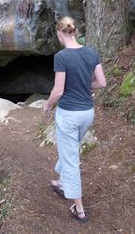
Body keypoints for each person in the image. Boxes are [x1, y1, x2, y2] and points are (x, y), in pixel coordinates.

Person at [43, 16, 106, 223]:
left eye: (58, 35)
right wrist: (89, 87)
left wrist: (47, 105)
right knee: (70, 148)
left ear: (60, 34)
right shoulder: (91, 52)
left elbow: (59, 90)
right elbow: (102, 82)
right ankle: (61, 183)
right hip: (87, 113)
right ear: (75, 32)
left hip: (68, 114)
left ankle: (79, 208)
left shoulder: (61, 57)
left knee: (70, 159)